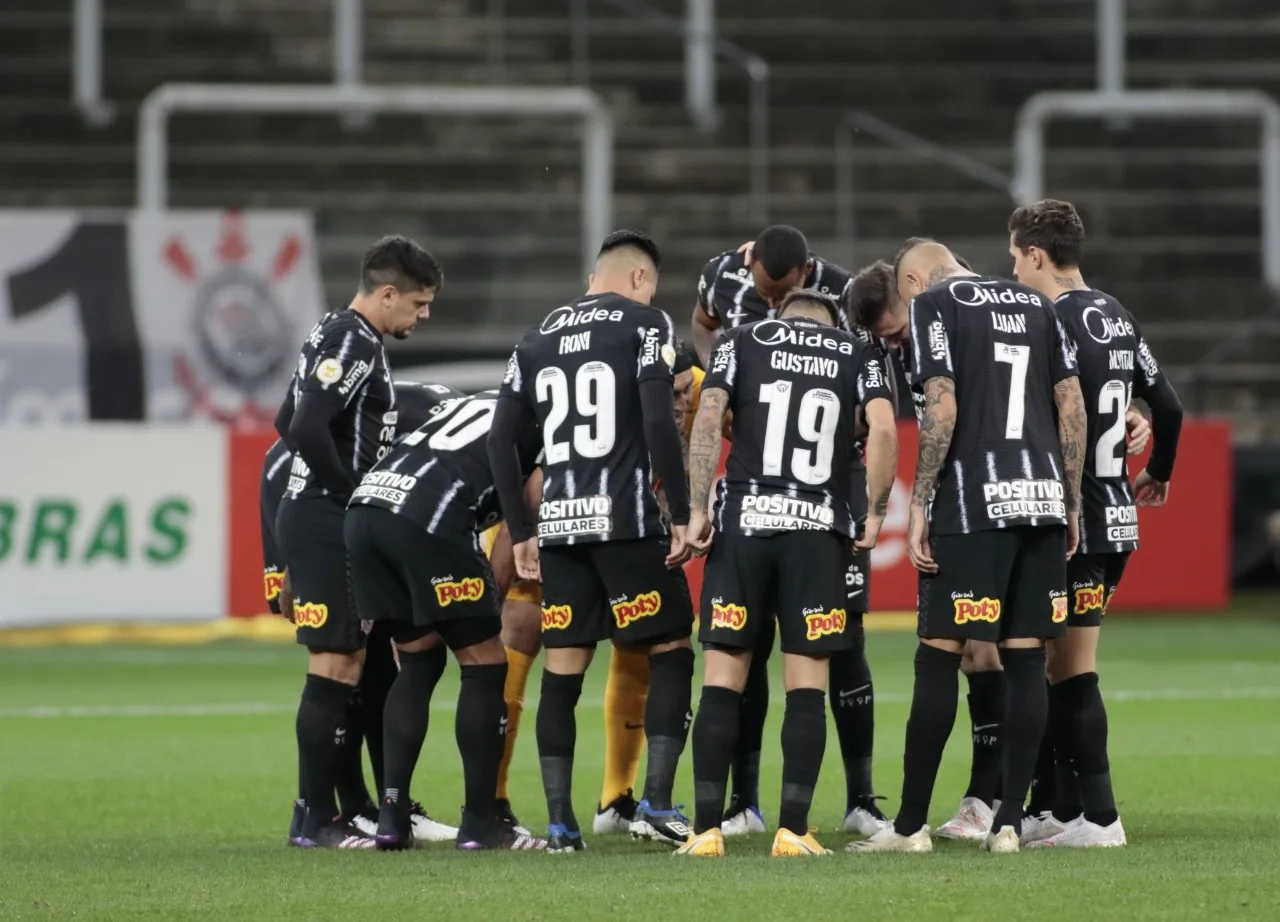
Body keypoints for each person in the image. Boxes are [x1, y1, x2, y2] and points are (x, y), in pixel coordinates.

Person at [846, 256, 1154, 842]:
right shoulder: (1037, 304)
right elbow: (1072, 404)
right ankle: (1009, 823)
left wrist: (921, 505)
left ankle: (909, 827)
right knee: (1025, 659)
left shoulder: (935, 306)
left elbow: (942, 405)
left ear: (913, 281)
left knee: (938, 654)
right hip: (1041, 502)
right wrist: (1067, 501)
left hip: (974, 504)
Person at [487, 230, 696, 853]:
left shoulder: (536, 337)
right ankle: (656, 802)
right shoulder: (646, 322)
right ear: (638, 279)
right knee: (672, 645)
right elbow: (659, 419)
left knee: (562, 670)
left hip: (559, 527)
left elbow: (502, 443)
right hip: (626, 522)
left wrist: (520, 532)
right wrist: (681, 512)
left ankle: (560, 825)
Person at [678, 289, 898, 857]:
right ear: (830, 321)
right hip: (816, 533)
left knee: (722, 679)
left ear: (782, 318)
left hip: (743, 527)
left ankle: (705, 832)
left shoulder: (740, 340)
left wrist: (697, 507)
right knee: (807, 685)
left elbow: (707, 416)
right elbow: (882, 429)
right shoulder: (856, 352)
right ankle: (793, 831)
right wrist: (874, 512)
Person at [1007, 199, 1183, 847]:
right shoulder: (1115, 314)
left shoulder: (1049, 322)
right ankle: (1057, 806)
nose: (1015, 272)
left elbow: (1057, 414)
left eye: (1014, 259)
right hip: (1121, 516)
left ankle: (1101, 817)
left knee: (1072, 668)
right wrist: (1158, 469)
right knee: (1056, 665)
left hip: (1078, 520)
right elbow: (1167, 403)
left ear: (1035, 254)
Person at [273, 235, 439, 849]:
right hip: (323, 516)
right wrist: (351, 494)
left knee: (350, 663)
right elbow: (304, 426)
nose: (422, 316)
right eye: (418, 304)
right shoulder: (351, 339)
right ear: (387, 293)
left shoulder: (333, 331)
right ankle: (314, 818)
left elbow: (284, 418)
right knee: (336, 664)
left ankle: (325, 814)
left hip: (312, 514)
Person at [345, 388, 548, 851]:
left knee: (419, 662)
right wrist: (483, 610)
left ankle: (392, 818)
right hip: (427, 518)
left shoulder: (483, 400)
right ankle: (481, 822)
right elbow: (526, 505)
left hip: (367, 511)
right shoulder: (553, 418)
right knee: (485, 664)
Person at [263, 380, 463, 846]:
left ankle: (376, 808)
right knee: (341, 661)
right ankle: (325, 809)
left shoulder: (455, 425)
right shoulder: (459, 439)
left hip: (345, 499)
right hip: (302, 490)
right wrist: (295, 561)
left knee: (374, 665)